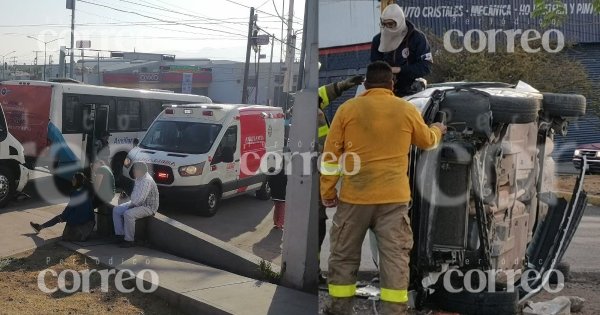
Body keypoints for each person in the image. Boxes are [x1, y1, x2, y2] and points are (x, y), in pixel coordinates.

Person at [321, 61, 446, 315]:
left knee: (344, 257)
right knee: (395, 260)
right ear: (392, 84)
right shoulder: (406, 109)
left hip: (355, 198)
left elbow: (331, 156)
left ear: (366, 84)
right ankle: (394, 311)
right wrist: (438, 129)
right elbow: (428, 142)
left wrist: (328, 192)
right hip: (393, 200)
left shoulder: (347, 110)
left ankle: (339, 309)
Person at [371, 4, 433, 97]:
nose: (388, 27)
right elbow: (374, 68)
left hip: (412, 92)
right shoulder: (378, 40)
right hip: (386, 92)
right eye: (385, 24)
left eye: (391, 24)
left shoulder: (417, 38)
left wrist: (399, 70)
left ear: (399, 21)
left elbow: (426, 67)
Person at [30, 173, 95, 241]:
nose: (72, 180)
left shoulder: (76, 194)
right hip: (89, 220)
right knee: (62, 217)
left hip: (79, 219)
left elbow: (69, 209)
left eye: (73, 179)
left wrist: (62, 217)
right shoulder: (86, 190)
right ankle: (39, 227)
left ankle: (40, 227)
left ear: (77, 181)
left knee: (59, 218)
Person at [112, 162, 159, 248]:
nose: (133, 171)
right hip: (136, 202)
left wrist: (129, 206)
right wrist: (130, 204)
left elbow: (140, 199)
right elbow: (135, 194)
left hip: (148, 207)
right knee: (116, 210)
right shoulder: (139, 178)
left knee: (128, 214)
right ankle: (120, 235)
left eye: (135, 170)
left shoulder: (147, 181)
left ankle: (129, 240)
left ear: (141, 171)